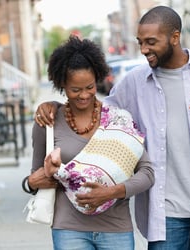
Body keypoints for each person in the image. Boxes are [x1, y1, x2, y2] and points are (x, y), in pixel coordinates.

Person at [34, 6, 190, 250]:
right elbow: (93, 107)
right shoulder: (135, 81)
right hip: (164, 211)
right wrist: (54, 105)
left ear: (174, 37)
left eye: (151, 42)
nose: (144, 50)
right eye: (140, 42)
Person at [23, 35, 155, 250]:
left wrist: (111, 192)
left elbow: (147, 173)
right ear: (62, 85)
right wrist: (31, 182)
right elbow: (36, 176)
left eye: (90, 87)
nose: (84, 95)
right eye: (75, 89)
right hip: (69, 230)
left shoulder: (118, 119)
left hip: (116, 228)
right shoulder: (48, 123)